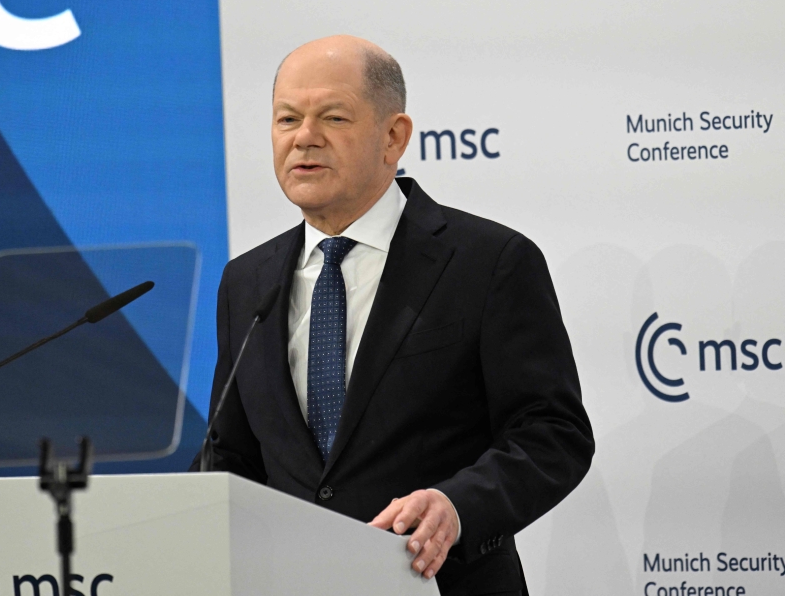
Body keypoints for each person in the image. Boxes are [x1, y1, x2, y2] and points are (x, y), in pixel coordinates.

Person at [190, 35, 594, 595]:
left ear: (393, 136)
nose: (304, 137)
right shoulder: (247, 281)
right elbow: (230, 455)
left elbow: (554, 432)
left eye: (332, 117)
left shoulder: (488, 262)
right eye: (286, 119)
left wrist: (458, 505)